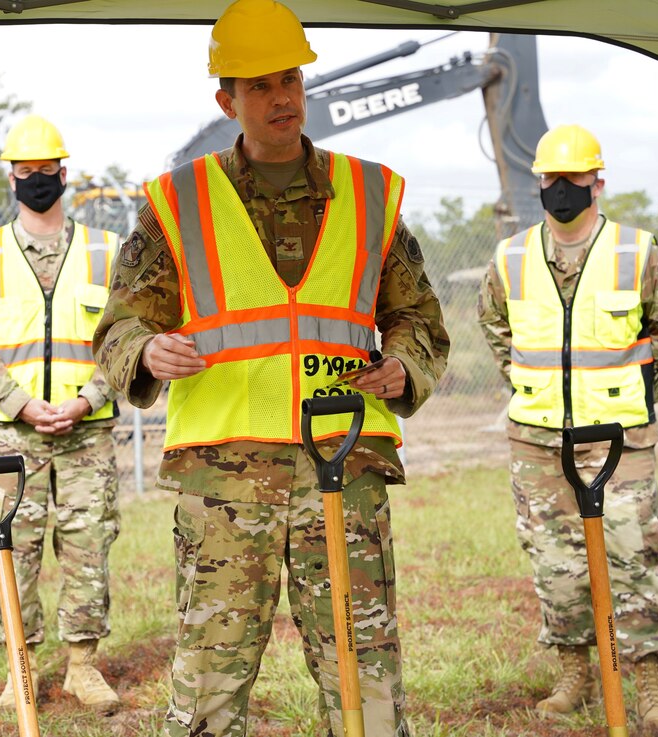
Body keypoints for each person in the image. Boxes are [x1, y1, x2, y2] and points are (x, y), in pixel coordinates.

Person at [92, 1, 449, 734]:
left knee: (363, 669)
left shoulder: (371, 193)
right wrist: (147, 351)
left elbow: (418, 318)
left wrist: (404, 366)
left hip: (345, 472)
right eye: (259, 86)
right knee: (211, 678)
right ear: (227, 101)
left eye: (290, 78)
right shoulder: (178, 202)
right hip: (225, 482)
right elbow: (121, 324)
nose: (281, 96)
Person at [478, 124, 658, 732]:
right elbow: (495, 328)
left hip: (619, 438)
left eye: (573, 178)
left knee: (635, 556)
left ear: (598, 181)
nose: (561, 189)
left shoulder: (638, 252)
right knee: (555, 560)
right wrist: (535, 387)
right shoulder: (510, 256)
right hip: (537, 439)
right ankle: (575, 672)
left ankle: (650, 685)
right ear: (538, 181)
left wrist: (641, 393)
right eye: (551, 178)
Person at [0, 114, 123, 713]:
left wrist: (86, 401)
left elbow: (123, 342)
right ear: (11, 176)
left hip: (87, 434)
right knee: (10, 549)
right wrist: (22, 404)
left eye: (45, 169)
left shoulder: (107, 251)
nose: (36, 179)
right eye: (25, 171)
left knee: (87, 548)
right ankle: (18, 669)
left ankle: (83, 667)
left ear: (63, 171)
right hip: (8, 437)